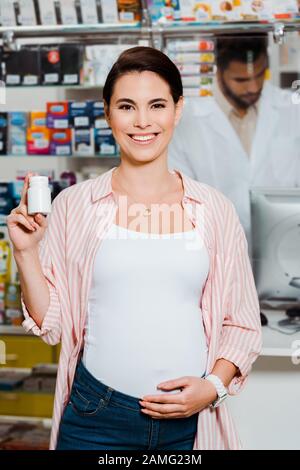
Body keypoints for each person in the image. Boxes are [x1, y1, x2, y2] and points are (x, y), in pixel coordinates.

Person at [7, 46, 261, 451]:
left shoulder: (214, 210)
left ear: (177, 110)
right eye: (127, 106)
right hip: (95, 419)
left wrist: (212, 387)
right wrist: (25, 253)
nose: (142, 122)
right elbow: (51, 323)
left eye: (157, 105)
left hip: (189, 422)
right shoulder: (74, 204)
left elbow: (243, 323)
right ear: (107, 113)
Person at [168, 34, 300, 240]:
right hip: (214, 249)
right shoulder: (186, 122)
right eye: (241, 80)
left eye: (260, 75)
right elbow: (177, 200)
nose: (254, 87)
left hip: (283, 246)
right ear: (219, 71)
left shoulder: (290, 109)